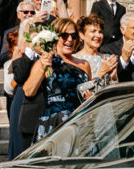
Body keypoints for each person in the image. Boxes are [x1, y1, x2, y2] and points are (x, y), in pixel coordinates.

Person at [14, 17, 91, 146]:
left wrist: (89, 97)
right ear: (55, 37)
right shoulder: (45, 62)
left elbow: (89, 92)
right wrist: (43, 67)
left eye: (74, 36)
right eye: (65, 35)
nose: (70, 40)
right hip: (54, 122)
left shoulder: (84, 65)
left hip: (79, 120)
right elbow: (28, 91)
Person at [74, 14, 118, 91]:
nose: (98, 35)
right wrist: (101, 72)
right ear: (82, 35)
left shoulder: (107, 58)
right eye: (93, 31)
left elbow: (115, 89)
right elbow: (80, 90)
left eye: (100, 32)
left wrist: (113, 77)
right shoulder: (74, 59)